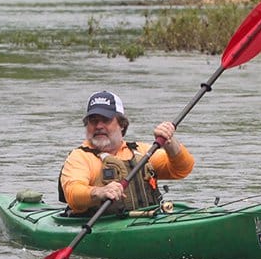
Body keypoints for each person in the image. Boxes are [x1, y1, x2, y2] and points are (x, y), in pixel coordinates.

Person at [59, 90, 194, 214]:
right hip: (99, 226)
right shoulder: (80, 157)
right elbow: (73, 194)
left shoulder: (141, 151)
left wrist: (170, 143)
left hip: (146, 220)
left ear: (122, 124)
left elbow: (182, 169)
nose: (99, 126)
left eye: (105, 120)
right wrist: (99, 192)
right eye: (93, 121)